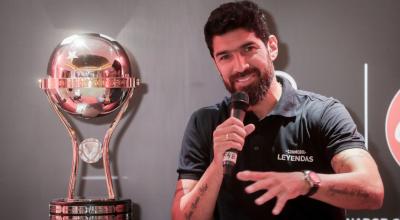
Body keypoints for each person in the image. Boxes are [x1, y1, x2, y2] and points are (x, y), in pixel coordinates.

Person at [171, 1, 384, 219]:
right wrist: (217, 165)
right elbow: (182, 217)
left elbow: (371, 190)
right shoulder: (205, 121)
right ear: (215, 62)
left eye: (248, 48)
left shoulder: (322, 113)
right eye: (225, 56)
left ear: (271, 47)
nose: (240, 66)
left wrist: (305, 181)